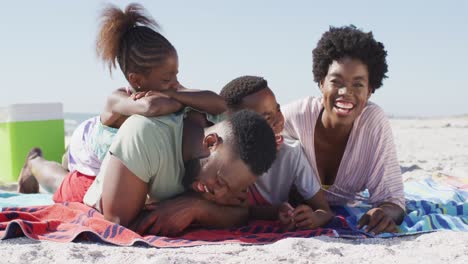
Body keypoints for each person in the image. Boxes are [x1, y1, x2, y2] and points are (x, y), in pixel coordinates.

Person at [17, 3, 226, 199]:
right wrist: (181, 97)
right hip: (90, 153)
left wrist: (176, 93)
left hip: (121, 163)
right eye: (166, 78)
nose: (175, 83)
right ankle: (35, 163)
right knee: (66, 187)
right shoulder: (118, 99)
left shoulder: (170, 90)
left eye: (176, 75)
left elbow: (217, 102)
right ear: (136, 79)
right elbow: (150, 107)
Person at [282, 25, 405, 235]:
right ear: (321, 83)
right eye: (336, 82)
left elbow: (393, 200)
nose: (345, 92)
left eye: (358, 85)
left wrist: (382, 213)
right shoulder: (295, 117)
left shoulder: (372, 123)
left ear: (370, 91)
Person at [82, 109, 277, 236]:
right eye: (220, 182)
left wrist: (197, 208)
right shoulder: (146, 135)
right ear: (210, 143)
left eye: (233, 191)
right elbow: (119, 224)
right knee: (62, 180)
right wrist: (215, 211)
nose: (220, 195)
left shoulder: (229, 174)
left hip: (134, 172)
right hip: (98, 180)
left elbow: (241, 213)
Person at [219, 76, 333, 230]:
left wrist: (314, 218)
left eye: (278, 109)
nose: (279, 121)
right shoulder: (221, 159)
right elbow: (233, 210)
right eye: (266, 118)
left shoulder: (291, 153)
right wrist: (275, 211)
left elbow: (324, 210)